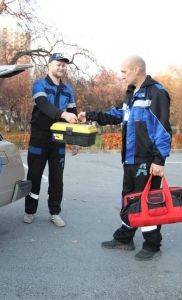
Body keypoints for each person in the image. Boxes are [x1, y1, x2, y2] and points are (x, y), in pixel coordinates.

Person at [78, 55, 172, 261]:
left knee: (147, 202)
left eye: (123, 71)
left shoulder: (157, 92)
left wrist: (159, 160)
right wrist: (90, 115)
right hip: (130, 158)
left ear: (136, 70)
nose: (121, 76)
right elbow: (116, 115)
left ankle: (152, 245)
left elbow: (163, 130)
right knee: (129, 198)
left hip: (146, 160)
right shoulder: (132, 94)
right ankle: (125, 238)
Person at [23, 53, 80, 227]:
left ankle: (55, 212)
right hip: (39, 138)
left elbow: (74, 115)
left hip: (58, 139)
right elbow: (44, 105)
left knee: (57, 178)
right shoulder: (39, 85)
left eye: (64, 65)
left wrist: (75, 139)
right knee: (34, 176)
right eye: (58, 64)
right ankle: (30, 211)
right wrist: (63, 114)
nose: (61, 68)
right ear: (49, 66)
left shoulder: (68, 90)